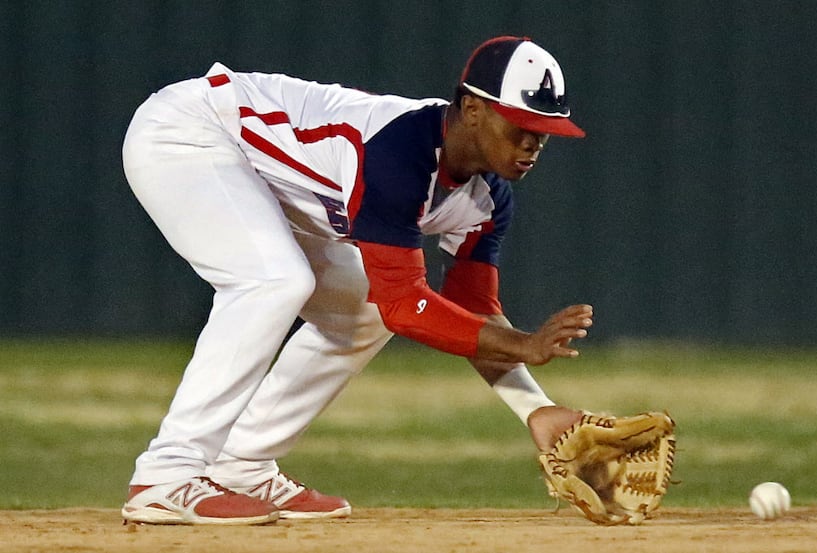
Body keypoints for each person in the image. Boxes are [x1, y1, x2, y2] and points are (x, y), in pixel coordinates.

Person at [120, 35, 593, 526]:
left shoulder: (486, 200)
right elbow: (407, 306)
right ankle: (167, 474)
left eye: (545, 131)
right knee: (273, 282)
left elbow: (472, 316)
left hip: (273, 177)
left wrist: (537, 408)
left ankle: (242, 465)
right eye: (522, 125)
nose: (533, 143)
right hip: (192, 131)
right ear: (472, 110)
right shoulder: (400, 150)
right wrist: (523, 344)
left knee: (362, 312)